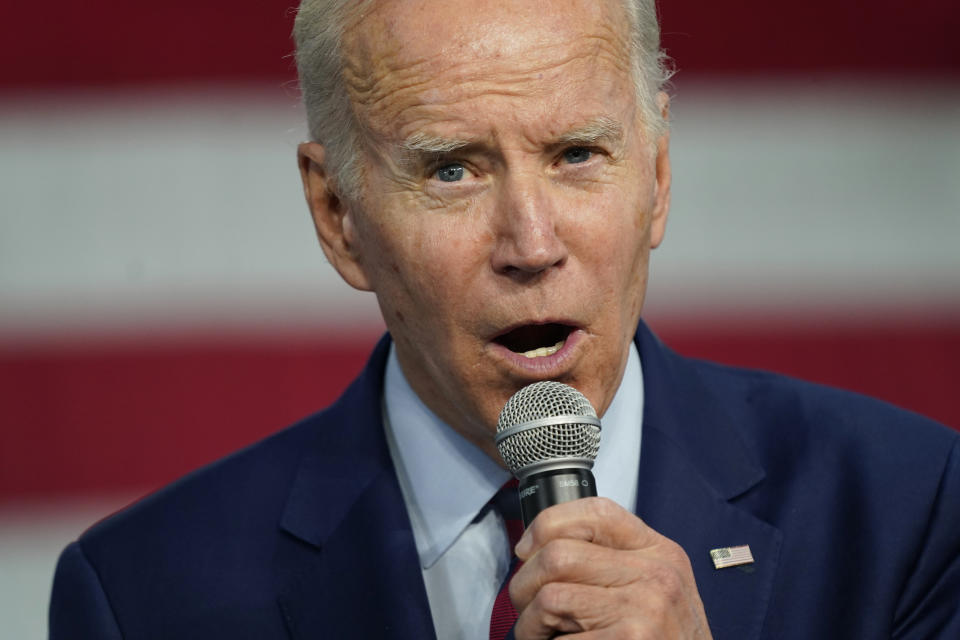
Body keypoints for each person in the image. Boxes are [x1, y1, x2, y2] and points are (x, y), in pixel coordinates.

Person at [49, 0, 960, 638]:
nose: (531, 242)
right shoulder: (144, 595)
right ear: (338, 218)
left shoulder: (908, 513)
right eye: (453, 169)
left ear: (658, 180)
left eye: (575, 154)